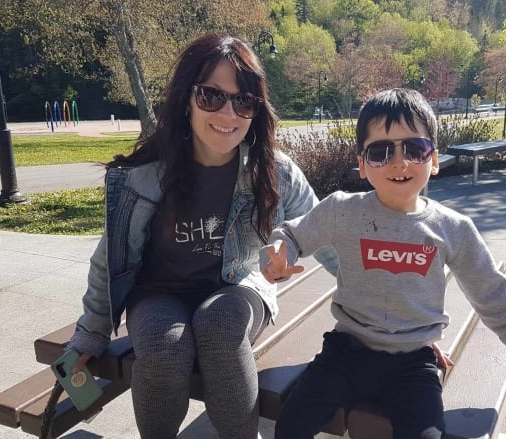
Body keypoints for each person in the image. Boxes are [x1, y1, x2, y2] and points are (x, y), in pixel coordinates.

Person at [66, 33, 336, 439]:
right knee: (162, 345)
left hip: (238, 287)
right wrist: (92, 331)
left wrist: (394, 321)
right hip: (159, 293)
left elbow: (332, 240)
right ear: (186, 100)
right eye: (212, 96)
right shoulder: (145, 174)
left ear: (256, 110)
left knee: (220, 325)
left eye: (243, 100)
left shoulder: (275, 171)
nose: (228, 113)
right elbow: (110, 260)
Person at [260, 88, 506, 439]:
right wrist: (281, 253)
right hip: (345, 353)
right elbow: (292, 235)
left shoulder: (453, 229)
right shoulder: (342, 210)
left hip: (413, 363)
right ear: (361, 164)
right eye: (381, 151)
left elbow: (489, 291)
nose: (399, 162)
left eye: (415, 149)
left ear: (433, 160)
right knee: (291, 424)